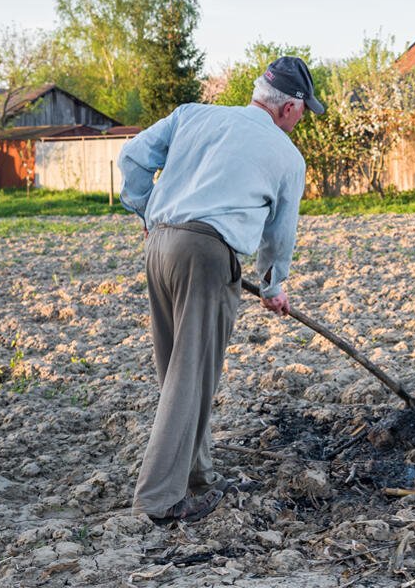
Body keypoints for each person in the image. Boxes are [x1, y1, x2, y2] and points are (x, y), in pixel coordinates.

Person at [118, 57, 324, 525]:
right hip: (208, 257)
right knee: (190, 376)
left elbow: (130, 156)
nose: (302, 118)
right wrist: (273, 286)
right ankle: (159, 500)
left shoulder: (193, 114)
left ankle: (199, 476)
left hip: (161, 245)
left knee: (176, 369)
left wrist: (147, 213)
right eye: (304, 110)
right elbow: (279, 235)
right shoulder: (288, 157)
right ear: (290, 108)